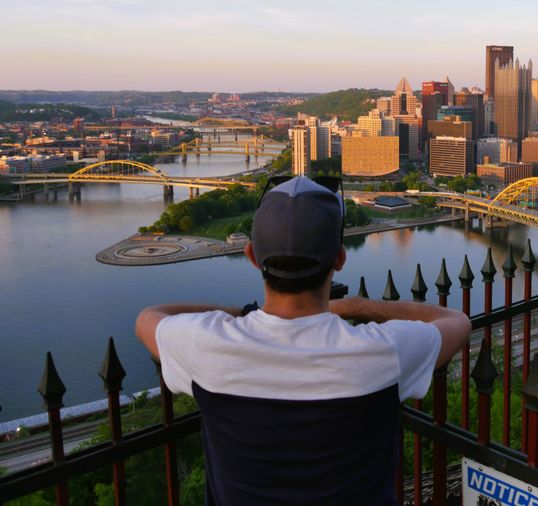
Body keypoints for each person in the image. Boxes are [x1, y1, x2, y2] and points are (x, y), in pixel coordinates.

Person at [135, 176, 471, 505]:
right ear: (339, 259)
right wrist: (361, 306)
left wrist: (238, 314)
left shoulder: (208, 346)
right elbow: (456, 322)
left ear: (252, 256)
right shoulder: (381, 353)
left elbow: (149, 317)